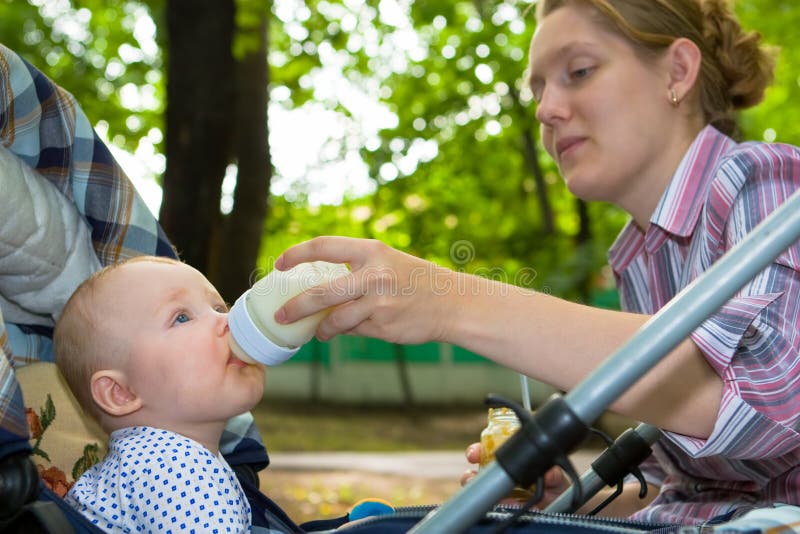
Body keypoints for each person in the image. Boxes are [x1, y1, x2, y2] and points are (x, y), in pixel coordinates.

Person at [271, 0, 800, 526]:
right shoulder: (639, 258)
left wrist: (449, 301)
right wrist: (559, 499)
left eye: (579, 72)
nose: (547, 109)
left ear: (678, 71)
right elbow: (692, 488)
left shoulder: (763, 180)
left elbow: (774, 399)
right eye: (539, 89)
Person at [54, 256, 267, 533]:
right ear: (120, 393)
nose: (229, 320)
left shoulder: (148, 461)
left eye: (219, 307)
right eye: (181, 317)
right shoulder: (176, 468)